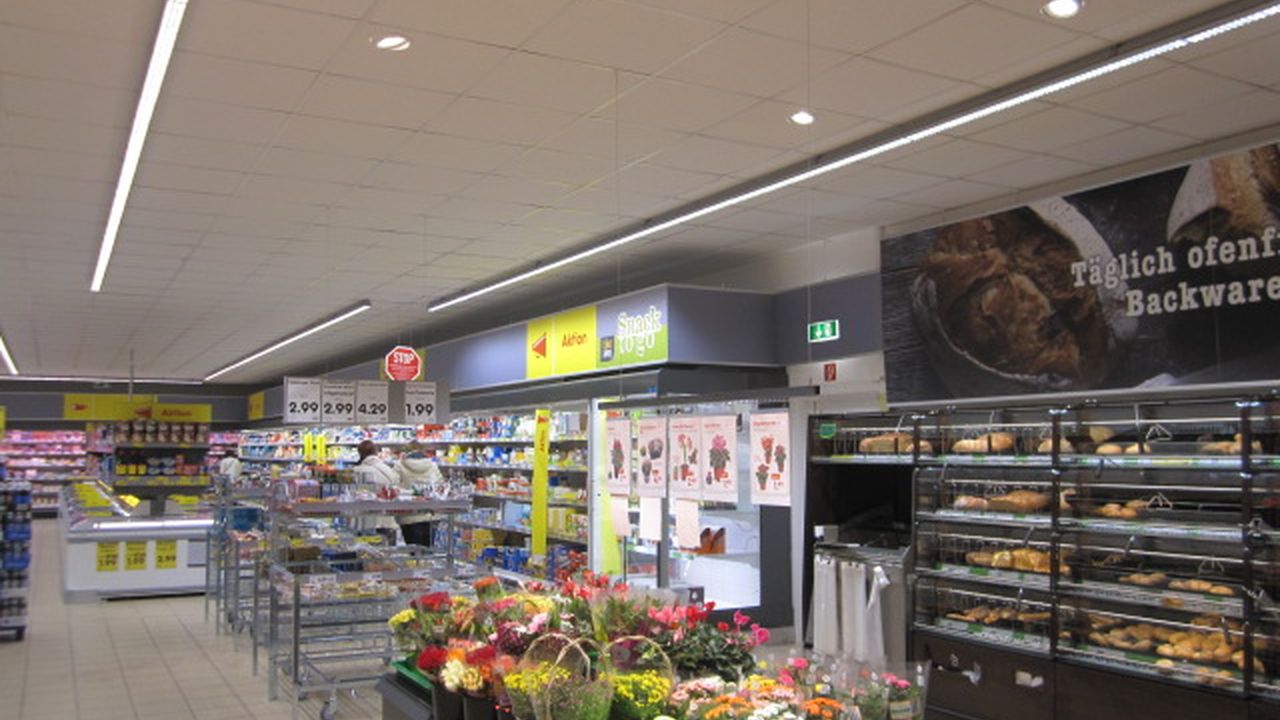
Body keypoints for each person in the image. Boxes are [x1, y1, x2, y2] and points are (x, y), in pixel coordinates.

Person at [394, 443, 445, 547]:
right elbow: (441, 487)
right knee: (429, 550)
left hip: (409, 516)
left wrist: (410, 494)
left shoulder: (399, 466)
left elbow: (394, 488)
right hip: (431, 515)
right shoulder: (432, 465)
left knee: (413, 551)